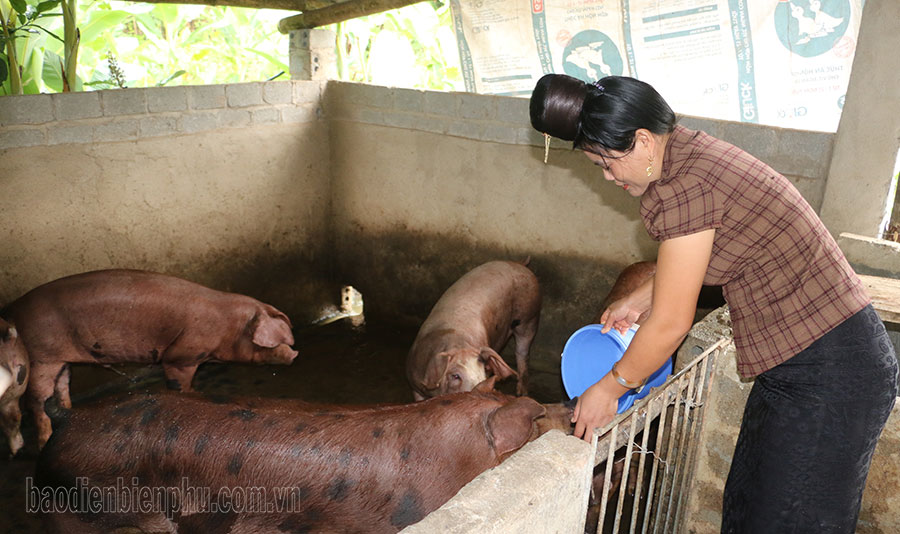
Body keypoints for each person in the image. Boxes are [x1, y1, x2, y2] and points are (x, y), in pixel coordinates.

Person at [529, 73, 898, 533]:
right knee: (748, 507)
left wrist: (609, 389)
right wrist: (643, 296)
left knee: (788, 522)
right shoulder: (687, 154)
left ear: (642, 141)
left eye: (607, 162)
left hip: (830, 371)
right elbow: (713, 249)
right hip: (800, 364)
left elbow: (671, 324)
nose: (607, 177)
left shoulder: (685, 188)